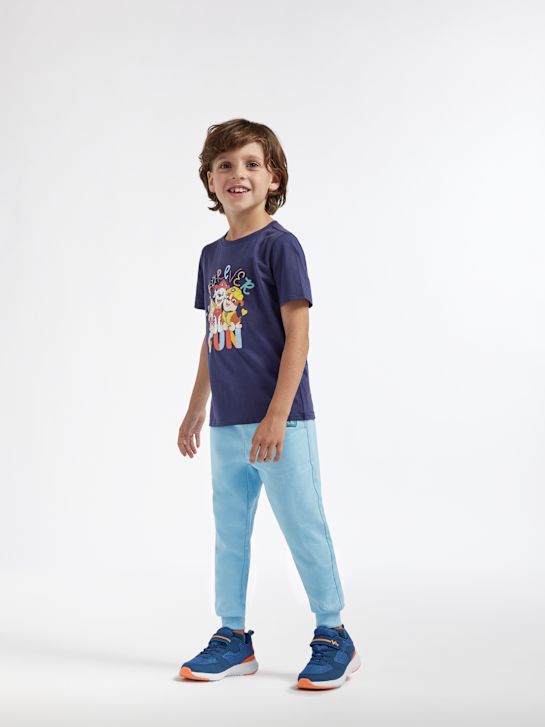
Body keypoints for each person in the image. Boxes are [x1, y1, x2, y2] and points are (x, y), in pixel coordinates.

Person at [177, 118, 360, 690]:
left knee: (303, 524)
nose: (239, 173)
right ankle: (232, 636)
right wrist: (196, 408)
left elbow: (298, 335)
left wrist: (277, 415)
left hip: (282, 422)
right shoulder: (211, 256)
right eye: (226, 165)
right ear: (210, 180)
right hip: (228, 423)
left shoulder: (280, 246)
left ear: (273, 177)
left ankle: (334, 633)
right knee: (230, 531)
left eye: (252, 163)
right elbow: (214, 336)